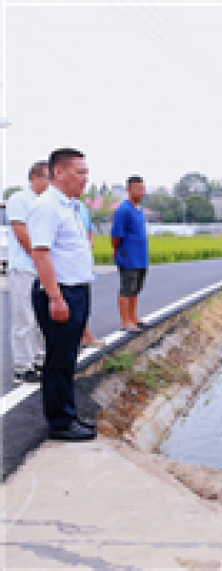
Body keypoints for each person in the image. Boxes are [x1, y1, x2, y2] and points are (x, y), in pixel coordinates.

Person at [28, 148, 97, 441]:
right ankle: (60, 423)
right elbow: (40, 254)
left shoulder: (70, 206)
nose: (85, 178)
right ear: (58, 172)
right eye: (79, 172)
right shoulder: (47, 206)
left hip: (76, 290)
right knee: (59, 359)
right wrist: (55, 298)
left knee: (68, 357)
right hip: (61, 292)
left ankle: (68, 414)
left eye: (86, 172)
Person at [7, 161, 49, 383]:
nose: (50, 183)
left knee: (42, 318)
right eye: (47, 178)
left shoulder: (46, 202)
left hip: (43, 268)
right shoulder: (19, 199)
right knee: (25, 318)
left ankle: (40, 360)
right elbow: (22, 234)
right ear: (34, 178)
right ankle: (23, 367)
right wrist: (39, 259)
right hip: (24, 267)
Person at [111, 175, 149, 333]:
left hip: (141, 257)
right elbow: (115, 236)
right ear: (128, 189)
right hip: (129, 256)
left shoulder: (139, 209)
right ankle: (125, 321)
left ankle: (133, 318)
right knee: (126, 287)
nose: (141, 192)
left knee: (136, 289)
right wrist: (116, 251)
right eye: (137, 188)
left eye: (143, 188)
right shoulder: (123, 210)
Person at [76, 198, 104, 349]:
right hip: (68, 265)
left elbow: (90, 230)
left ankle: (85, 335)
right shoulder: (55, 205)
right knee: (70, 304)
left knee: (84, 302)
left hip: (83, 263)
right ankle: (73, 341)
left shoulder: (81, 206)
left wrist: (89, 244)